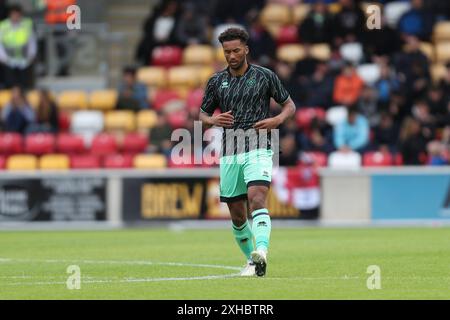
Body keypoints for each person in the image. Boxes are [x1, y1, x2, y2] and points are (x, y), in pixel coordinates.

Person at [199, 28, 296, 277]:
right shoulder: (215, 81)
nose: (231, 55)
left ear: (246, 50)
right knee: (237, 215)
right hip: (230, 151)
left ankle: (261, 251)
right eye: (227, 51)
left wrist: (276, 121)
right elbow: (201, 115)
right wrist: (213, 119)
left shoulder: (265, 76)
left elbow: (289, 106)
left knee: (257, 199)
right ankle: (253, 263)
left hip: (260, 146)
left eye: (236, 50)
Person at [0, 4, 37, 89]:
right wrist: (3, 58)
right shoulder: (3, 26)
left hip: (24, 60)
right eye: (14, 14)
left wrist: (31, 56)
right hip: (8, 60)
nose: (16, 16)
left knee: (25, 83)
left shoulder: (26, 24)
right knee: (9, 82)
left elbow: (32, 42)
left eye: (17, 14)